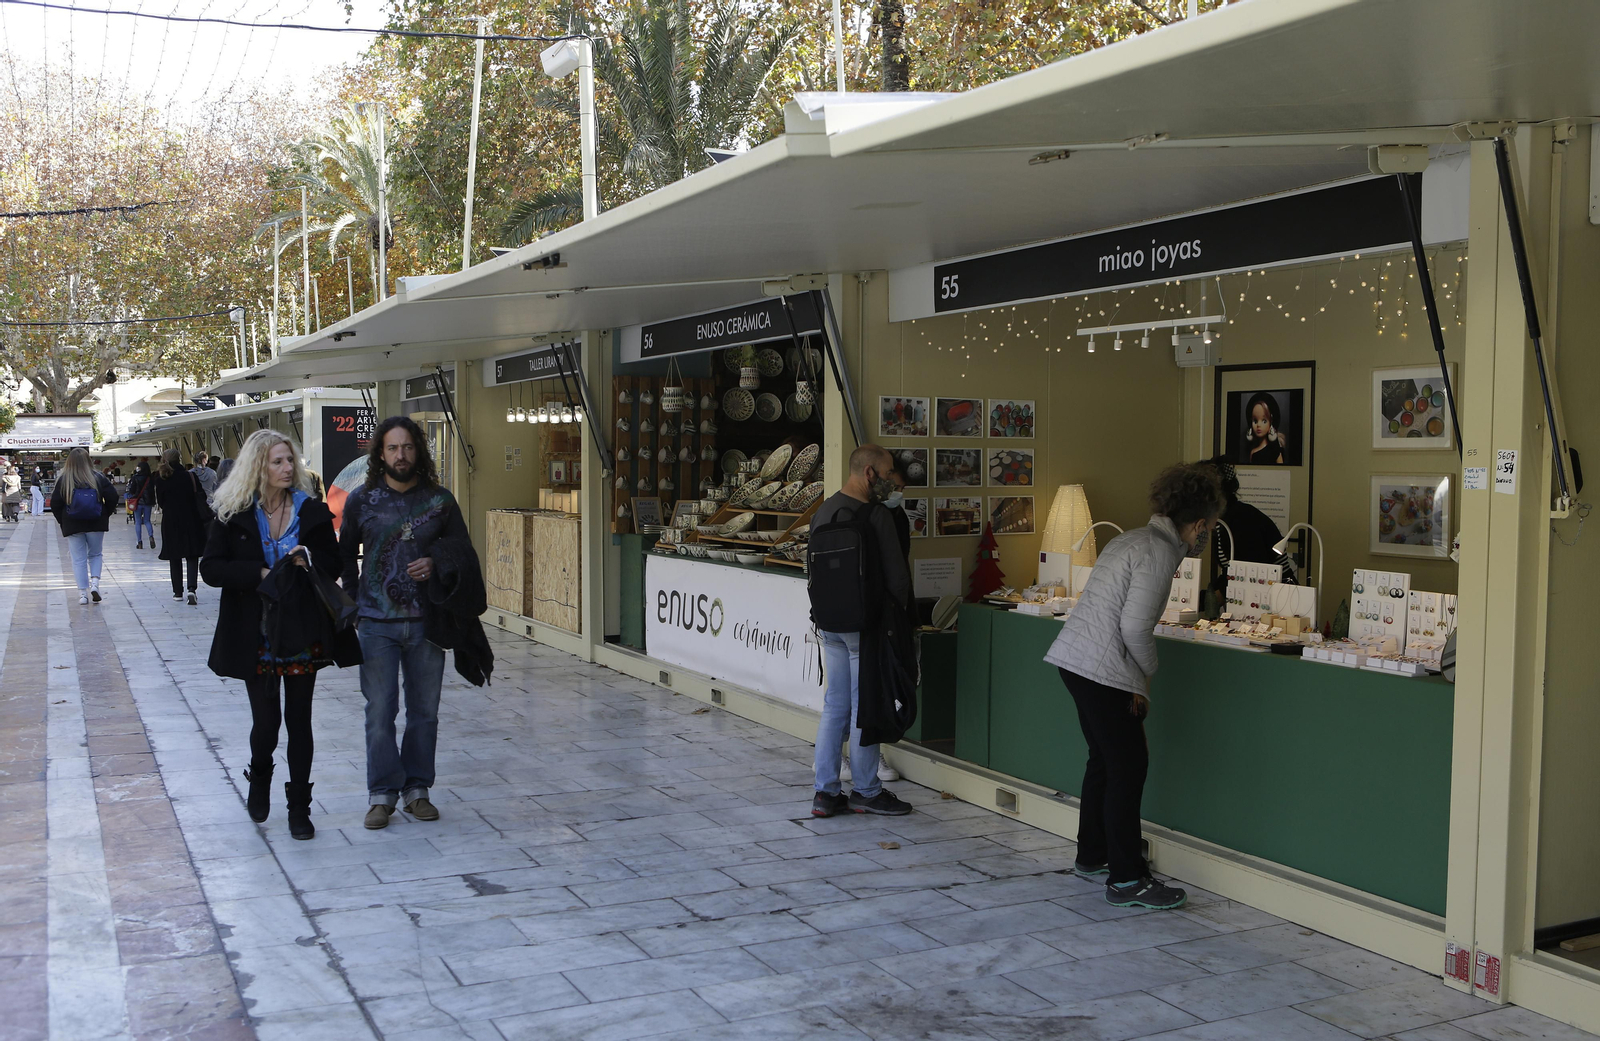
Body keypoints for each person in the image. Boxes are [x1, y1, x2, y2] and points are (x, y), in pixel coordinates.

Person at [1044, 462, 1224, 911]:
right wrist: (1145, 680)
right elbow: (1135, 630)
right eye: (1210, 527)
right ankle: (1126, 877)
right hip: (1102, 669)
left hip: (1077, 662)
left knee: (1105, 763)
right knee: (1128, 768)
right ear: (1198, 524)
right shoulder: (1159, 553)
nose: (1208, 535)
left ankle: (1093, 855)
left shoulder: (1130, 538)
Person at [201, 429, 359, 840]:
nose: (289, 468)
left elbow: (334, 557)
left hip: (302, 628)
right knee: (266, 722)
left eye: (290, 461)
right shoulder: (233, 512)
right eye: (278, 462)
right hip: (254, 632)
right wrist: (257, 573)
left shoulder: (310, 509)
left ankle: (299, 808)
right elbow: (211, 568)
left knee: (299, 720)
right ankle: (260, 775)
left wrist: (308, 558)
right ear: (259, 466)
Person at [339, 417, 469, 830]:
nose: (401, 455)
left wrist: (437, 561)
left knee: (424, 713)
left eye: (408, 447)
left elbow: (463, 552)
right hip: (376, 624)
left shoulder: (441, 500)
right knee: (380, 712)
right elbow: (344, 556)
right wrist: (352, 604)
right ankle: (381, 795)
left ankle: (417, 791)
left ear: (419, 451)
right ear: (380, 454)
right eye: (393, 448)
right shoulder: (362, 501)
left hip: (428, 623)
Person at [807, 444, 913, 819]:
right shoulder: (875, 516)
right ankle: (866, 790)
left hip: (829, 623)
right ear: (869, 474)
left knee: (834, 705)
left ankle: (825, 792)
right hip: (865, 627)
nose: (890, 482)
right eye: (886, 475)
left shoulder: (824, 509)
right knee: (864, 706)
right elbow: (897, 577)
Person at [1203, 457, 1296, 608]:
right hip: (1258, 597)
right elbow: (1231, 571)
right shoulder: (1222, 520)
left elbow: (1251, 573)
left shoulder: (1241, 519)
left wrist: (1212, 600)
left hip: (1278, 600)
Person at [48, 448, 120, 605]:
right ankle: (95, 583)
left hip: (73, 524)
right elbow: (113, 496)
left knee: (78, 559)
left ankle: (82, 594)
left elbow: (55, 503)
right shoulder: (98, 477)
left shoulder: (64, 479)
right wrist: (104, 513)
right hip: (95, 522)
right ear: (88, 460)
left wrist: (63, 521)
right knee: (95, 554)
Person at [152, 448, 209, 604]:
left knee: (174, 556)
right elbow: (201, 495)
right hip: (191, 519)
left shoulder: (161, 478)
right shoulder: (189, 476)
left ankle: (177, 592)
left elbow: (161, 502)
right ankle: (192, 589)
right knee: (192, 555)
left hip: (171, 521)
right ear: (180, 459)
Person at [1241, 391, 1289, 465]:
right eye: (1255, 421)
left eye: (1264, 421)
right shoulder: (1253, 452)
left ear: (1271, 422)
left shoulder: (1275, 451)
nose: (1258, 425)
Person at [128, 461, 157, 548]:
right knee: (147, 521)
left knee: (138, 521)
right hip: (148, 502)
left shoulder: (135, 477)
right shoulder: (150, 478)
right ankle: (151, 536)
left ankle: (139, 542)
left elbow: (132, 490)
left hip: (137, 502)